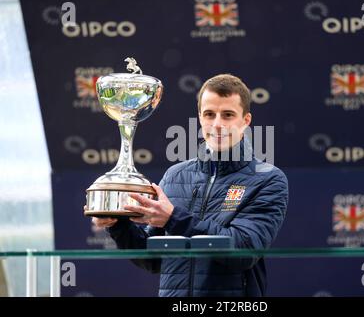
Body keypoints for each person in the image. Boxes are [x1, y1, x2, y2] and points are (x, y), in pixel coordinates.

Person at [92, 74, 289, 297]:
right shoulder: (175, 175)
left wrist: (173, 218)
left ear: (246, 120)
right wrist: (118, 225)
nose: (217, 124)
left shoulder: (268, 179)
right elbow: (153, 260)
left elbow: (243, 251)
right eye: (209, 114)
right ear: (200, 118)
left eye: (228, 115)